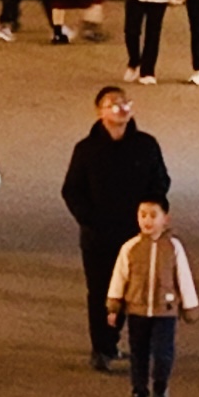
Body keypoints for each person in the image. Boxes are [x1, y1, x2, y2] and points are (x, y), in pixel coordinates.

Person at [62, 89, 171, 371]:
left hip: (137, 235)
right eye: (112, 105)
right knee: (101, 291)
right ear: (99, 112)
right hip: (98, 236)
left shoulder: (146, 146)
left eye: (125, 103)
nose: (121, 109)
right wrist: (89, 219)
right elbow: (72, 190)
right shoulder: (86, 150)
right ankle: (102, 347)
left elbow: (161, 181)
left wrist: (152, 215)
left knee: (133, 291)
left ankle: (123, 343)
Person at [107, 194, 197, 397]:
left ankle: (160, 384)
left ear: (165, 218)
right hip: (137, 310)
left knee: (163, 353)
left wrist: (189, 306)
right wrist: (114, 306)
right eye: (142, 215)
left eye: (153, 215)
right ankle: (139, 395)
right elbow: (119, 277)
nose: (147, 220)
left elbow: (183, 277)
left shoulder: (173, 248)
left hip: (165, 312)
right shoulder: (130, 247)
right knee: (138, 354)